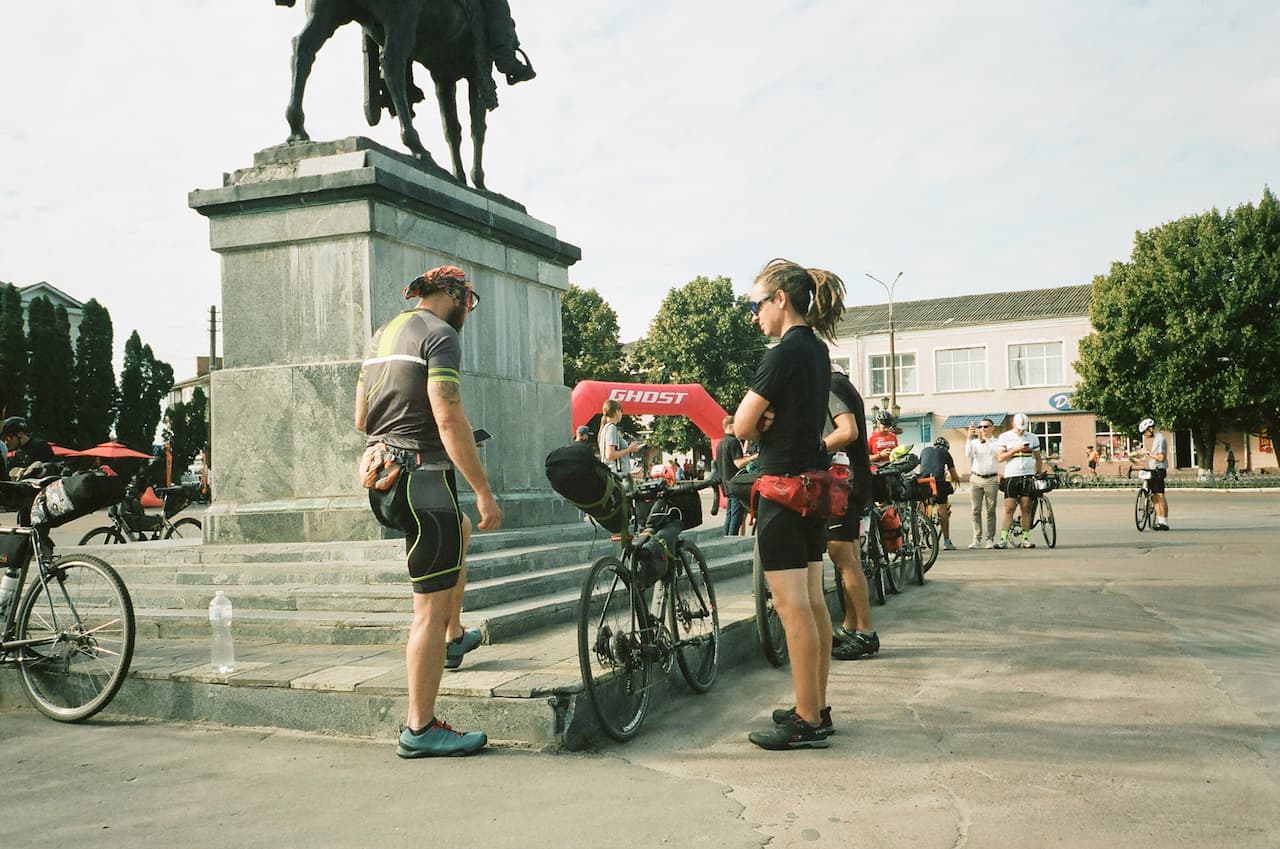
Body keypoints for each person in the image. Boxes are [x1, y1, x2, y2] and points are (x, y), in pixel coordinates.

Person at [355, 265, 501, 758]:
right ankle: (420, 728)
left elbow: (361, 418)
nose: (468, 312)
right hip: (424, 481)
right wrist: (483, 490)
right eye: (469, 301)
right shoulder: (440, 336)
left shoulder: (383, 334)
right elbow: (447, 413)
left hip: (386, 480)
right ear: (453, 294)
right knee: (427, 612)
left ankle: (455, 636)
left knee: (457, 533)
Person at [734, 257, 845, 750]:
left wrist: (757, 419)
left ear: (780, 299)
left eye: (757, 303)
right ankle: (815, 705)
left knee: (791, 605)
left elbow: (740, 425)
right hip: (813, 486)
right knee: (814, 600)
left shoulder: (780, 355)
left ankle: (807, 719)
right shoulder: (817, 351)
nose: (754, 313)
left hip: (781, 487)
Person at [824, 362, 878, 661]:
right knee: (850, 556)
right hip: (855, 478)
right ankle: (850, 625)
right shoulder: (846, 386)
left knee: (843, 557)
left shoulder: (831, 387)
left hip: (842, 481)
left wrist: (817, 447)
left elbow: (847, 431)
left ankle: (865, 632)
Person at [994, 413, 1043, 549]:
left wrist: (1037, 473)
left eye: (1024, 428)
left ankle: (1025, 538)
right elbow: (1000, 458)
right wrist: (1015, 450)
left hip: (1027, 475)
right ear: (1013, 424)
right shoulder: (1005, 437)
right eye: (1019, 428)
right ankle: (1003, 538)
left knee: (1026, 507)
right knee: (1009, 508)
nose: (1022, 431)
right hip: (1011, 475)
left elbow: (1038, 458)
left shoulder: (1033, 438)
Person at [714, 416, 757, 536]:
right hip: (736, 483)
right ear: (731, 426)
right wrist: (754, 457)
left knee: (729, 515)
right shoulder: (733, 442)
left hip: (725, 484)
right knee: (736, 517)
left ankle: (725, 540)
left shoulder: (720, 444)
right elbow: (738, 463)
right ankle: (731, 541)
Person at [918, 436, 961, 550]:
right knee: (943, 512)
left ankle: (920, 539)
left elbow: (921, 467)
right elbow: (953, 473)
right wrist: (957, 480)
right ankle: (947, 542)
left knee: (923, 508)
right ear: (946, 447)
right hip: (938, 483)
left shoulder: (925, 450)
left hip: (924, 482)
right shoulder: (945, 453)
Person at [965, 418, 1001, 548]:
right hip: (976, 478)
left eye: (986, 427)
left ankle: (989, 538)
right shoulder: (975, 442)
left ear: (992, 427)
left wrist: (983, 441)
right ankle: (977, 538)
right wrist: (969, 437)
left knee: (990, 510)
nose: (983, 429)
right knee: (975, 510)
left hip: (991, 479)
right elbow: (968, 453)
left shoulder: (997, 442)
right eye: (980, 427)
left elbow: (993, 454)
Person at [1134, 418, 1170, 529]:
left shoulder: (1160, 439)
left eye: (1145, 432)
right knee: (1154, 496)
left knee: (1159, 496)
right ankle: (1159, 520)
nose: (1144, 435)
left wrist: (1148, 453)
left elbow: (1161, 457)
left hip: (1158, 470)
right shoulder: (1156, 439)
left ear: (1150, 429)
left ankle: (1164, 522)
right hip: (1153, 470)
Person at [597, 400, 642, 489]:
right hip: (619, 476)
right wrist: (629, 449)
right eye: (621, 411)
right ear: (617, 412)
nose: (622, 414)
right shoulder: (612, 428)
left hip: (611, 474)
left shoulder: (605, 428)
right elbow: (610, 455)